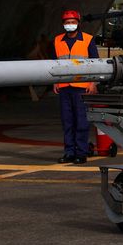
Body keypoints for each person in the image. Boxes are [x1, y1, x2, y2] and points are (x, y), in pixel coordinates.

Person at [53, 9, 99, 164]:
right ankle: (69, 152)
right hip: (64, 86)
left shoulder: (87, 39)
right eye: (67, 22)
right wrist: (55, 82)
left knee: (81, 121)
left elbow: (96, 64)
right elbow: (55, 63)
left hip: (82, 87)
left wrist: (93, 83)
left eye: (72, 22)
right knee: (67, 122)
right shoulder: (57, 40)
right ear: (63, 24)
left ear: (78, 23)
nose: (70, 25)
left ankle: (81, 152)